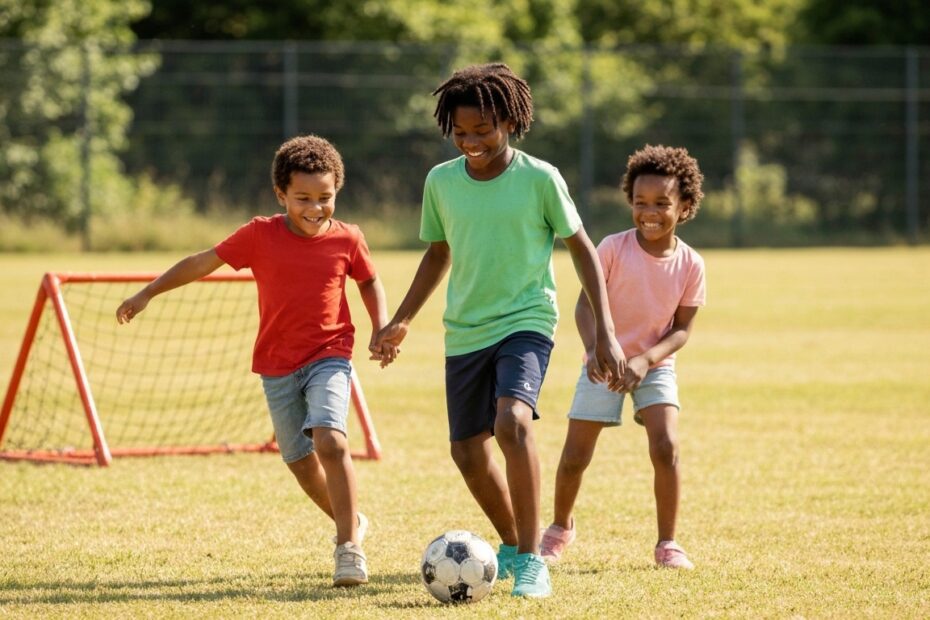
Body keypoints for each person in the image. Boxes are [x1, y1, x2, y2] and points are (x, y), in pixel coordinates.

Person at [373, 63, 623, 598]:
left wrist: (605, 331)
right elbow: (438, 252)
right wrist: (402, 319)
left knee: (512, 422)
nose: (471, 142)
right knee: (466, 451)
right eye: (460, 133)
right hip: (465, 329)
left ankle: (533, 562)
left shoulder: (539, 178)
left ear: (510, 121)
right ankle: (510, 544)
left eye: (482, 130)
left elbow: (582, 250)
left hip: (527, 321)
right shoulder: (440, 182)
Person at [116, 134, 395, 587]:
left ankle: (348, 548)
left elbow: (368, 281)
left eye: (325, 198)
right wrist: (148, 291)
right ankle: (353, 521)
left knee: (331, 440)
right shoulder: (259, 235)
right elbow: (202, 262)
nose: (315, 208)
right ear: (281, 194)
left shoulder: (349, 237)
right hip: (276, 364)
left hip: (330, 355)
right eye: (302, 198)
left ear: (337, 193)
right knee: (300, 461)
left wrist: (381, 325)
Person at [539, 144, 706, 570]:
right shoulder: (612, 248)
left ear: (685, 206)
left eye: (662, 203)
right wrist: (596, 346)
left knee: (666, 446)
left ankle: (668, 544)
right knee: (575, 455)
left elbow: (682, 329)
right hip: (602, 361)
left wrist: (646, 360)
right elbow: (583, 307)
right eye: (640, 202)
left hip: (654, 365)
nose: (649, 211)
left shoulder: (691, 264)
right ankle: (559, 528)